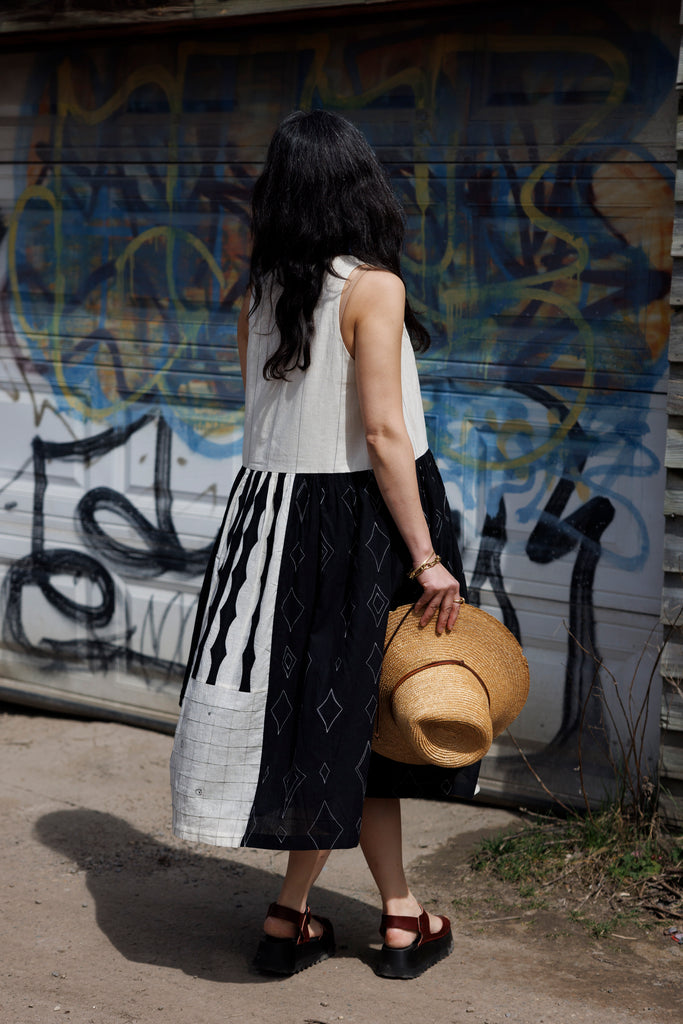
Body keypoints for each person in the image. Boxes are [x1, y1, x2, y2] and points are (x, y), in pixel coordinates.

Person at [170, 109, 479, 980]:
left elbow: (264, 423)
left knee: (327, 721)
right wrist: (424, 554)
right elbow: (382, 433)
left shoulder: (264, 291)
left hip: (269, 525)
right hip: (360, 521)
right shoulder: (372, 286)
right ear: (360, 186)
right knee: (373, 715)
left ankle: (304, 914)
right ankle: (395, 920)